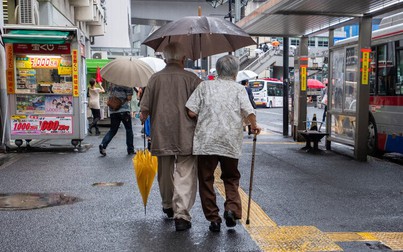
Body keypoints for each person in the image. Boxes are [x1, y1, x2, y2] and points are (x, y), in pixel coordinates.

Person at [185, 55, 262, 232]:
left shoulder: (205, 86)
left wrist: (204, 117)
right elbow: (249, 111)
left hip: (206, 141)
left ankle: (214, 218)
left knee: (206, 179)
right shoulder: (239, 90)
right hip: (230, 140)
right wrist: (254, 126)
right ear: (235, 72)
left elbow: (190, 112)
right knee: (231, 177)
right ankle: (232, 210)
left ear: (218, 71)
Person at [139, 42, 202, 231]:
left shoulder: (155, 79)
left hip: (161, 132)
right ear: (183, 59)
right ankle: (181, 214)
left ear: (165, 58)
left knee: (164, 172)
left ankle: (167, 205)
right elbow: (201, 107)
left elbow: (144, 110)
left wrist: (144, 117)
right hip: (187, 133)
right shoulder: (192, 79)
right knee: (185, 172)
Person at [99, 83, 134, 156]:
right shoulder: (127, 83)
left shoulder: (111, 84)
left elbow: (109, 95)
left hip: (113, 110)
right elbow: (129, 98)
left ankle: (103, 144)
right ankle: (130, 149)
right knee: (128, 130)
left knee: (113, 130)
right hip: (124, 110)